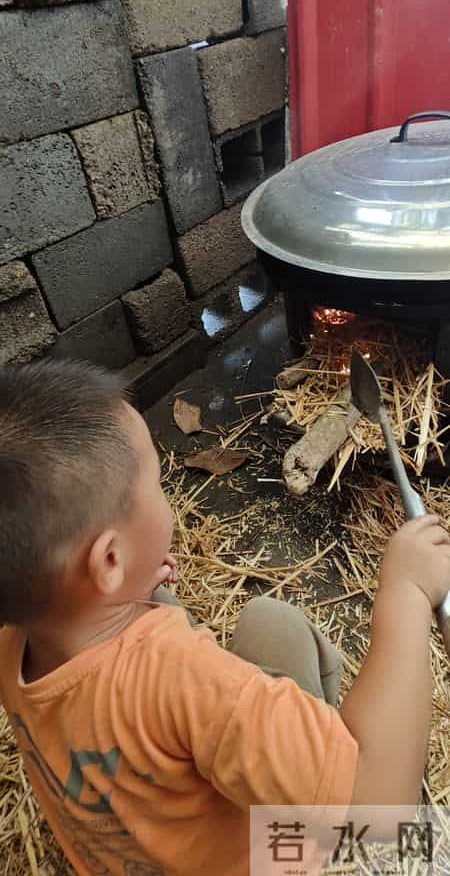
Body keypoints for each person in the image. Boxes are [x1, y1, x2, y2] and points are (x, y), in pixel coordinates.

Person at [0, 359, 448, 876]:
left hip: (141, 849)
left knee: (260, 624)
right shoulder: (190, 684)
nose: (165, 501)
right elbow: (377, 814)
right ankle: (332, 757)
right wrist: (406, 597)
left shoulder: (21, 632)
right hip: (260, 855)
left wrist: (123, 593)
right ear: (108, 562)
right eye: (158, 487)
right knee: (274, 625)